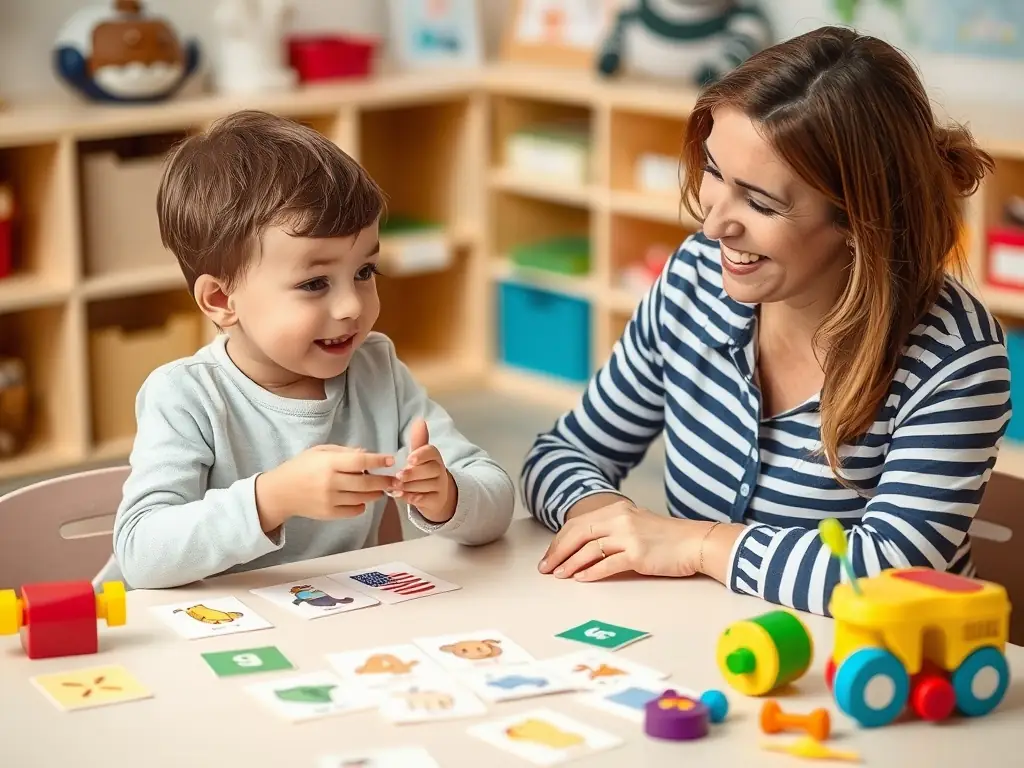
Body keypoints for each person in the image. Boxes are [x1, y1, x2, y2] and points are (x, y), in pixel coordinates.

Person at [521, 26, 1011, 616]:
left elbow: (889, 578)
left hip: (870, 674)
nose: (713, 226)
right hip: (712, 646)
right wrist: (606, 515)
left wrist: (696, 544)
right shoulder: (695, 280)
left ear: (860, 221)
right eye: (713, 171)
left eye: (760, 202)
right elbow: (564, 451)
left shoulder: (954, 359)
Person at [107, 110, 514, 590]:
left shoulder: (376, 368)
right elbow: (141, 553)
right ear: (221, 300)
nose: (350, 307)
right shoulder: (184, 395)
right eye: (315, 282)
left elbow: (496, 499)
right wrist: (271, 498)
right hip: (226, 642)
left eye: (365, 272)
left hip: (345, 634)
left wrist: (447, 494)